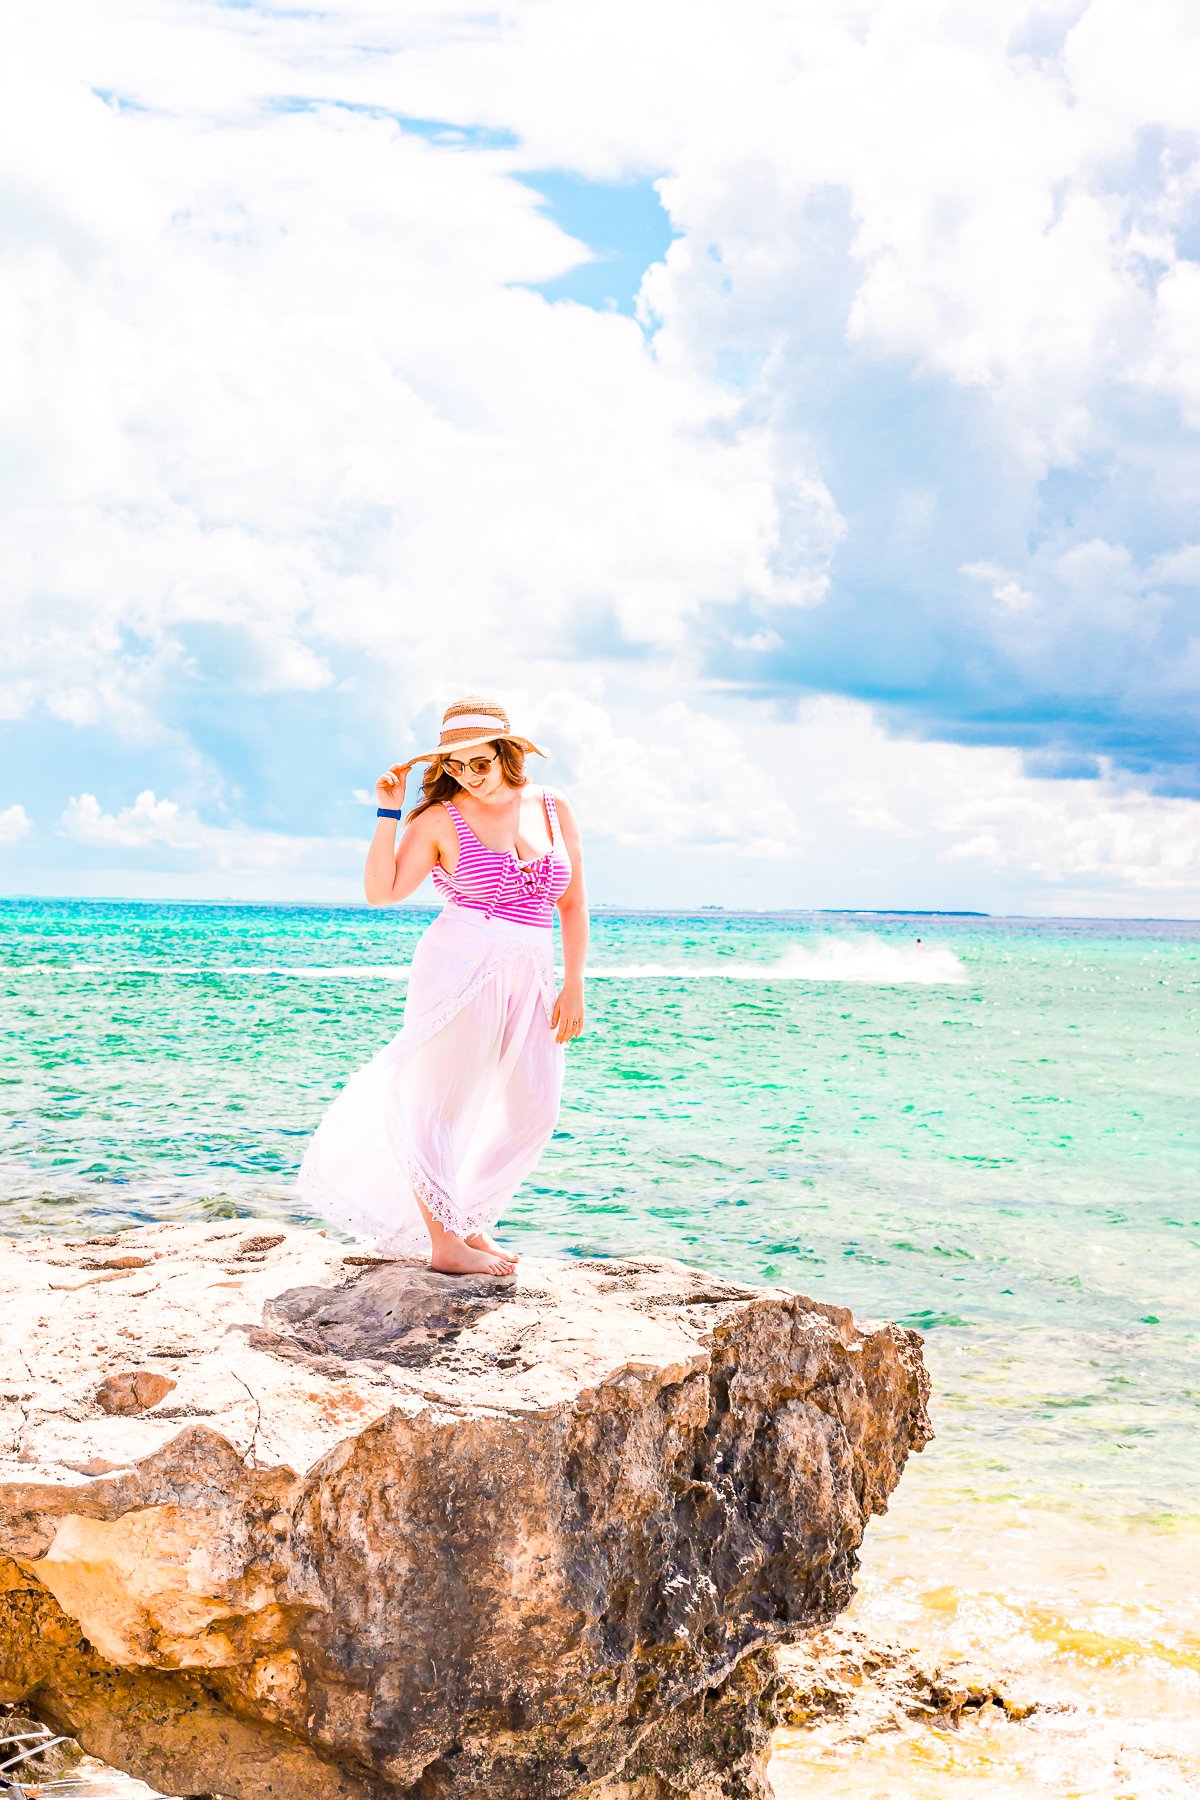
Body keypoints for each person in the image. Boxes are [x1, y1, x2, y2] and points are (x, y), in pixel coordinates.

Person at [298, 696, 587, 1277]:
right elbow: (383, 893)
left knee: (536, 1106)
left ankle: (471, 1217)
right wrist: (388, 811)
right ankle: (446, 1241)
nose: (469, 775)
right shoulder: (438, 819)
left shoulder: (553, 809)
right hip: (461, 960)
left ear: (507, 752)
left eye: (479, 762)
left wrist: (574, 982)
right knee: (440, 1102)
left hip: (533, 965)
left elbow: (574, 902)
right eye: (455, 766)